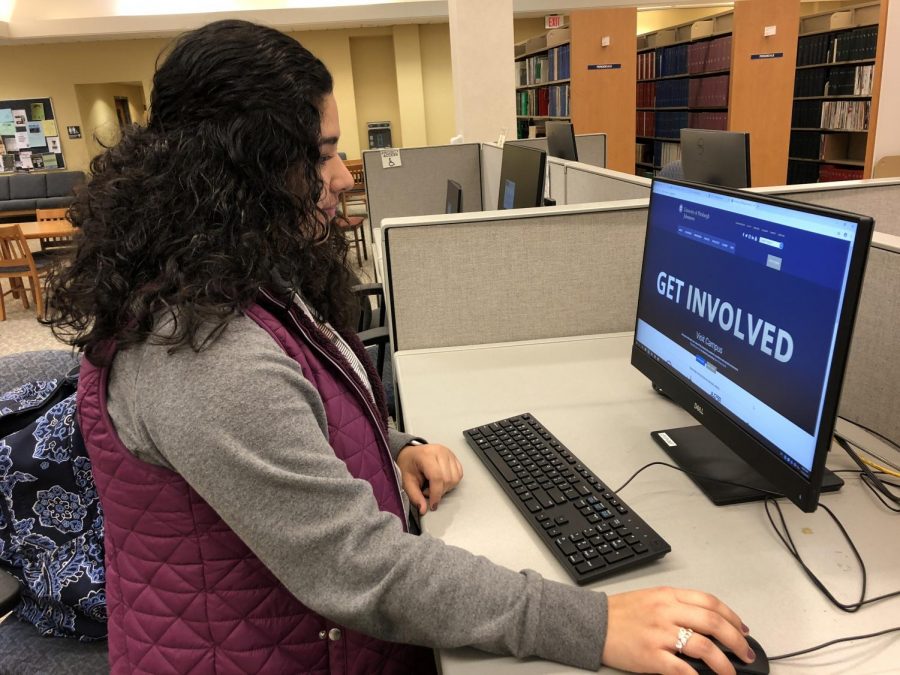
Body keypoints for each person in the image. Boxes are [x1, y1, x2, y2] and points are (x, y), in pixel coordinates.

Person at [46, 19, 757, 675]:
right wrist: (592, 624)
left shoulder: (231, 273)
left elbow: (308, 401)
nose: (345, 176)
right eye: (322, 154)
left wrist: (391, 443)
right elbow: (363, 569)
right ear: (244, 171)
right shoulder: (204, 352)